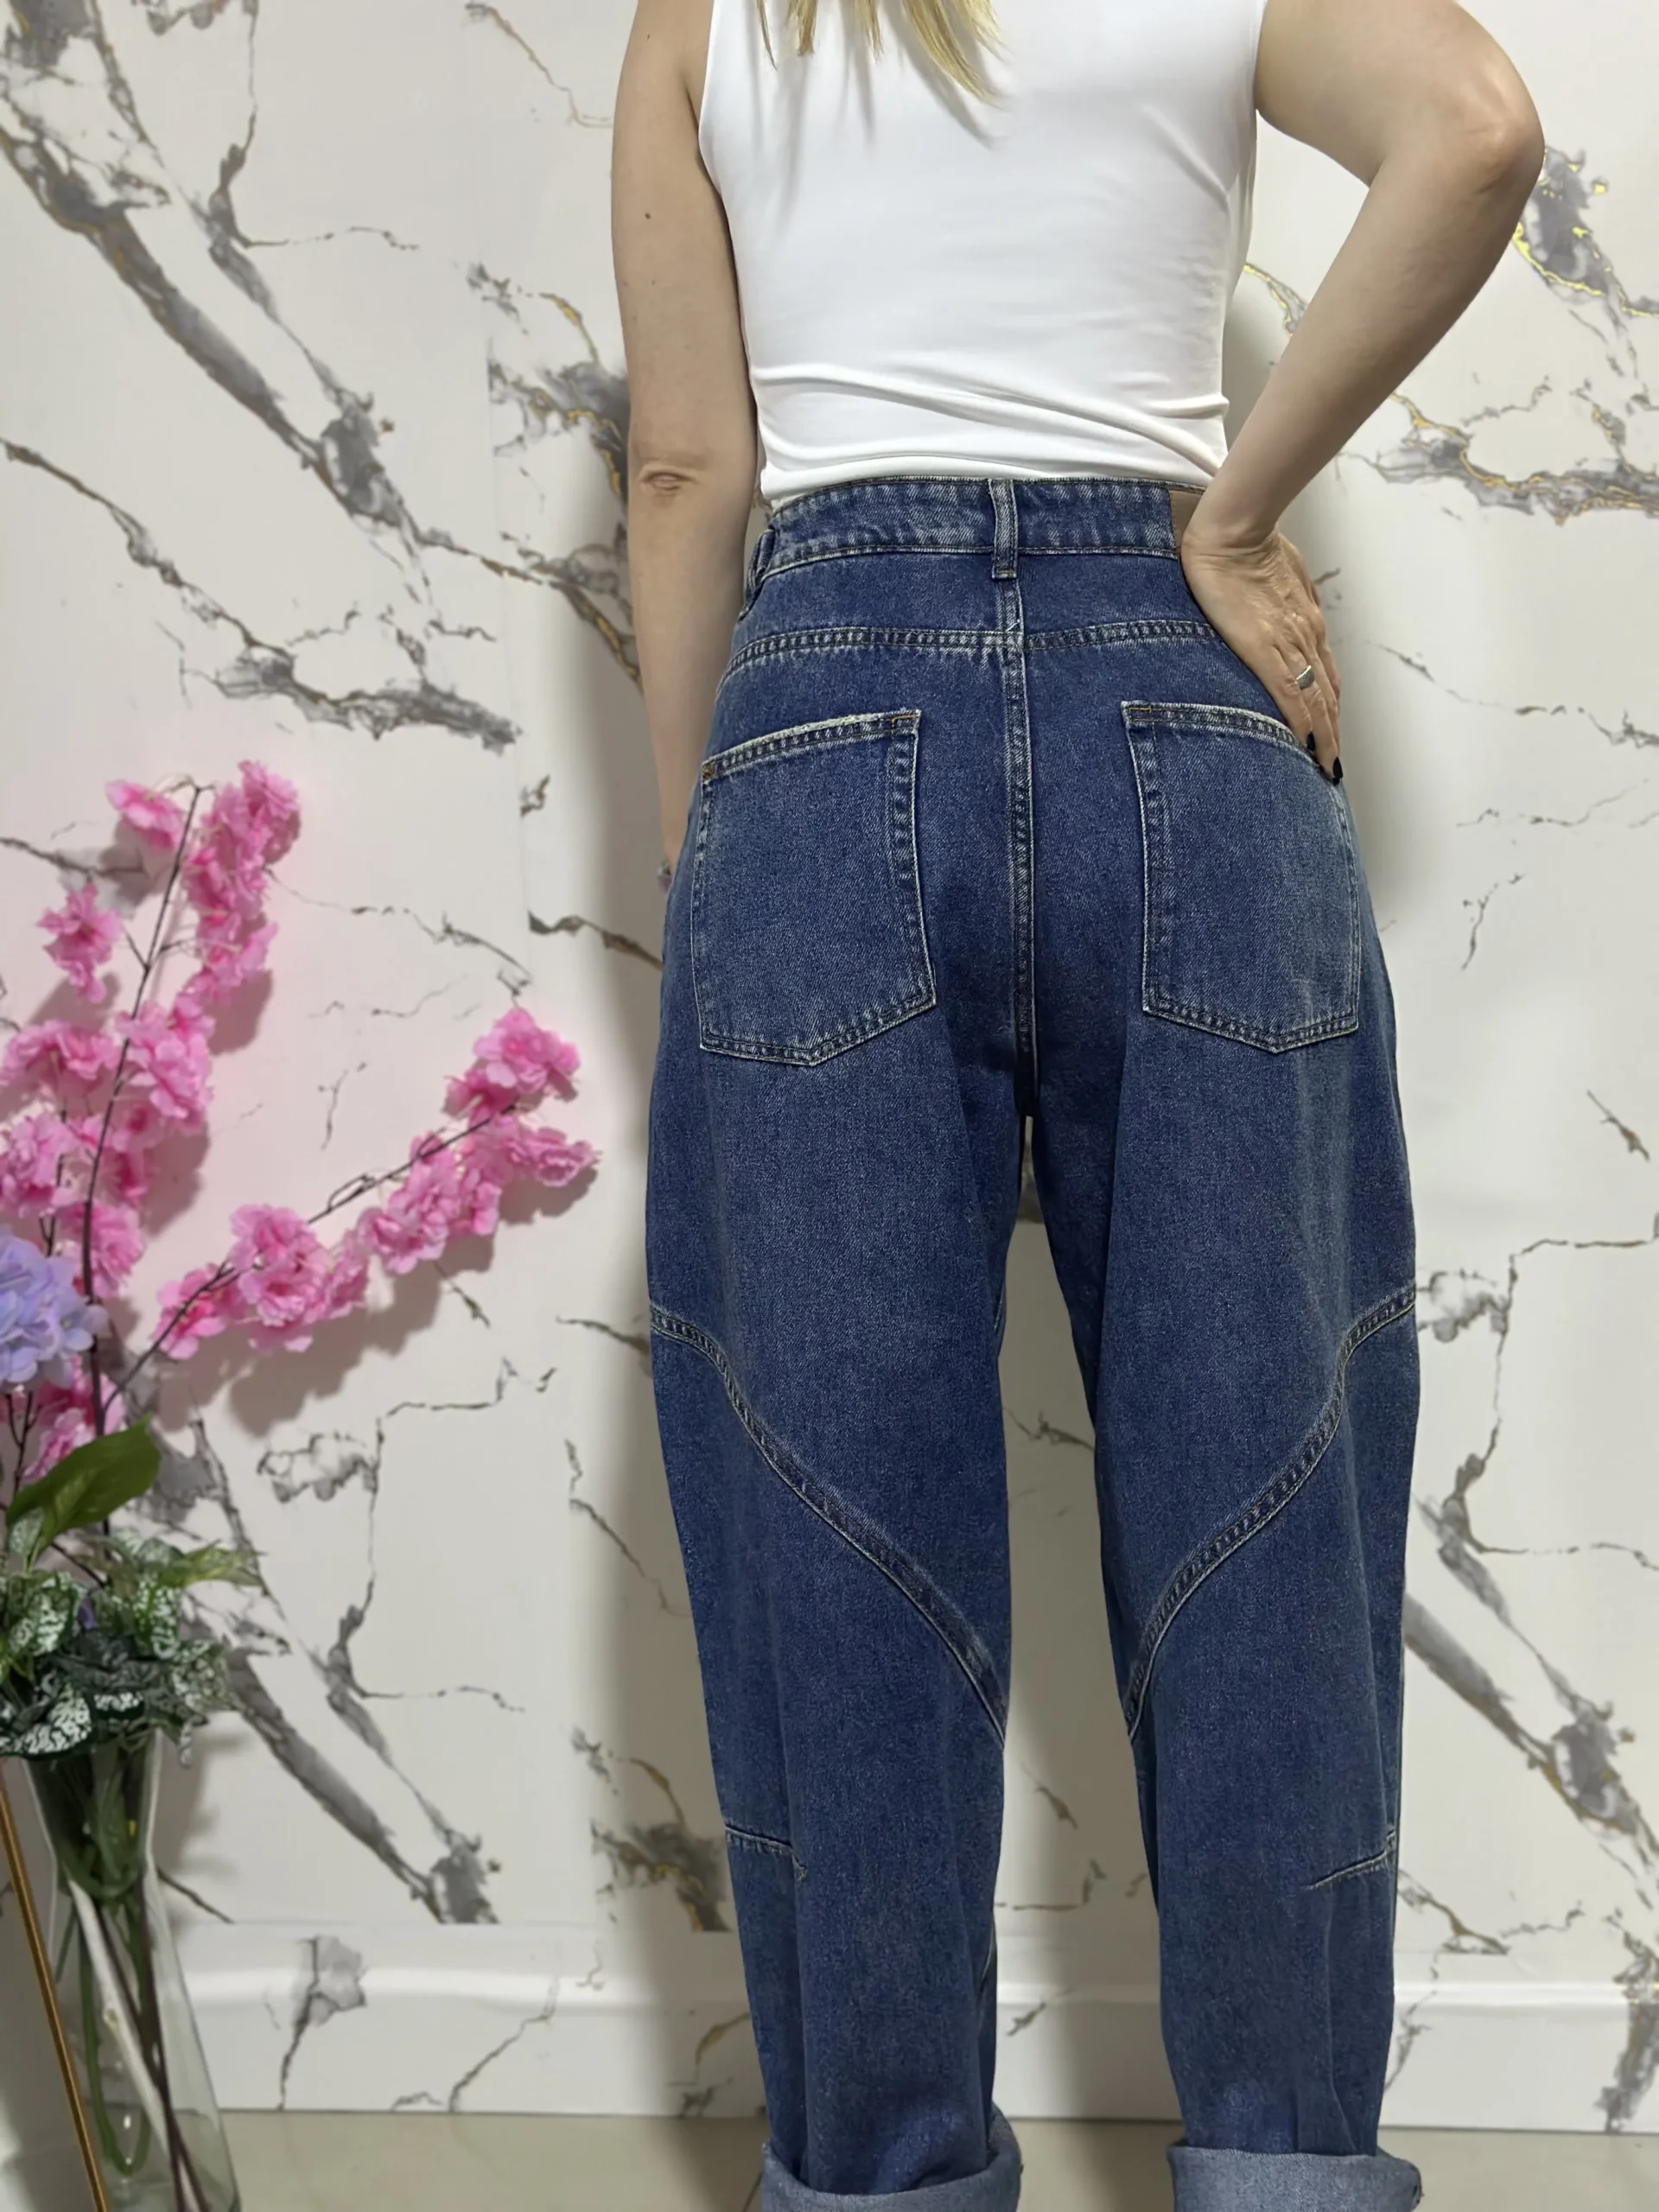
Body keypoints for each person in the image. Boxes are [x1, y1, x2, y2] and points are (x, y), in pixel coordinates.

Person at [612, 1, 1542, 2204]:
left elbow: (684, 475)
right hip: (1192, 734)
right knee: (1272, 1518)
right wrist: (1236, 510)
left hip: (818, 731)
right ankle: (1289, 2168)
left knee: (835, 1534)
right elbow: (1478, 127)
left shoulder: (703, 14)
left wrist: (714, 845)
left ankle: (885, 2176)